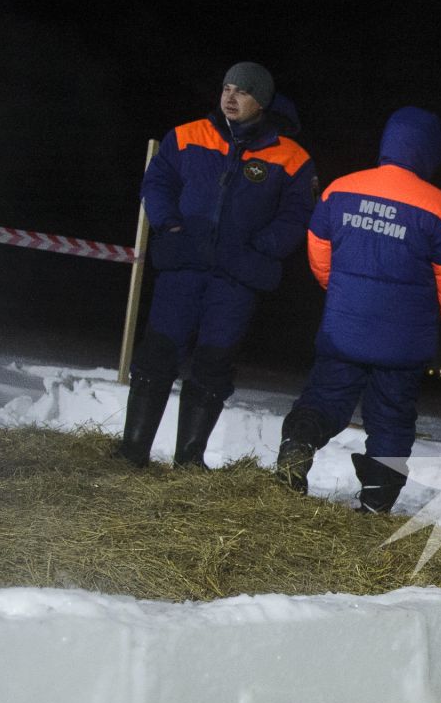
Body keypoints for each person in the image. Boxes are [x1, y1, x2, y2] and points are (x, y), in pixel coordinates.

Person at [118, 62, 317, 469]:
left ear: (261, 101)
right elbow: (156, 183)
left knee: (213, 363)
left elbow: (297, 217)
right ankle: (131, 453)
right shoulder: (187, 135)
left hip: (235, 280)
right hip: (183, 267)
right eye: (226, 87)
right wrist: (169, 224)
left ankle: (189, 461)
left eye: (241, 91)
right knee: (157, 355)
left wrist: (261, 247)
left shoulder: (293, 158)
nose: (230, 97)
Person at [277, 107, 441, 512]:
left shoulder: (340, 190)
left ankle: (296, 449)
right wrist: (413, 314)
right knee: (391, 421)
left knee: (323, 399)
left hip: (342, 330)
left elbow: (319, 258)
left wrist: (348, 296)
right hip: (403, 345)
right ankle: (375, 504)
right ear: (431, 152)